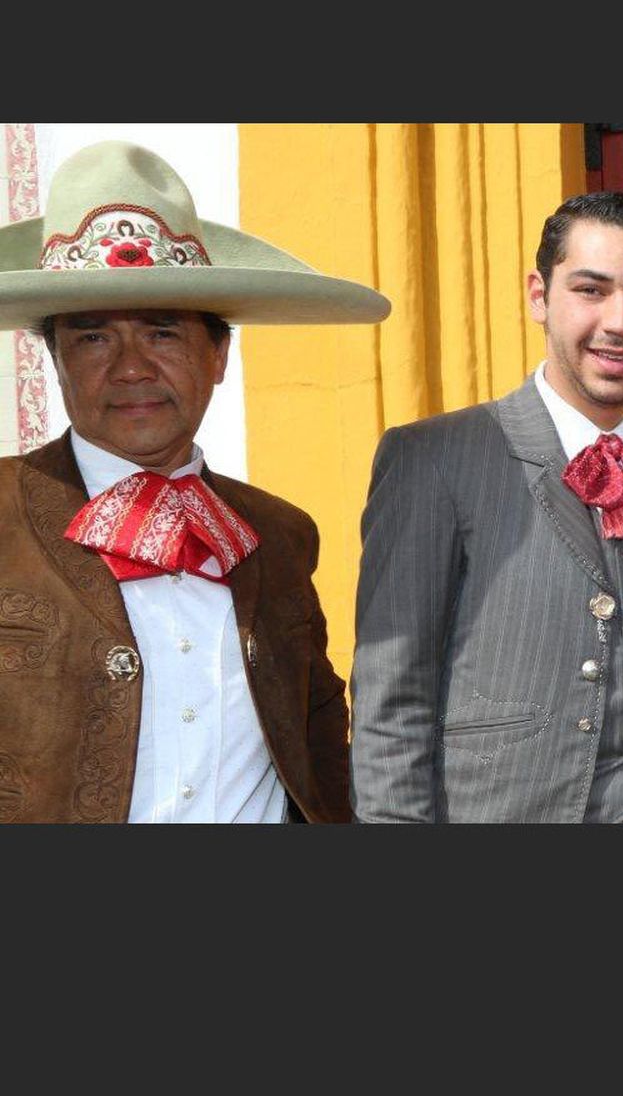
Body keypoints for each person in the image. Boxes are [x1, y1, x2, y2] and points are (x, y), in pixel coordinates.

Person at [0, 139, 389, 822]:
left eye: (163, 333)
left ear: (218, 355)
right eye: (91, 338)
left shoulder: (280, 533)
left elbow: (322, 740)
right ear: (54, 361)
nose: (130, 368)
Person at [350, 191, 623, 822]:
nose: (622, 322)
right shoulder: (433, 457)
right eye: (591, 289)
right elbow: (392, 701)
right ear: (539, 296)